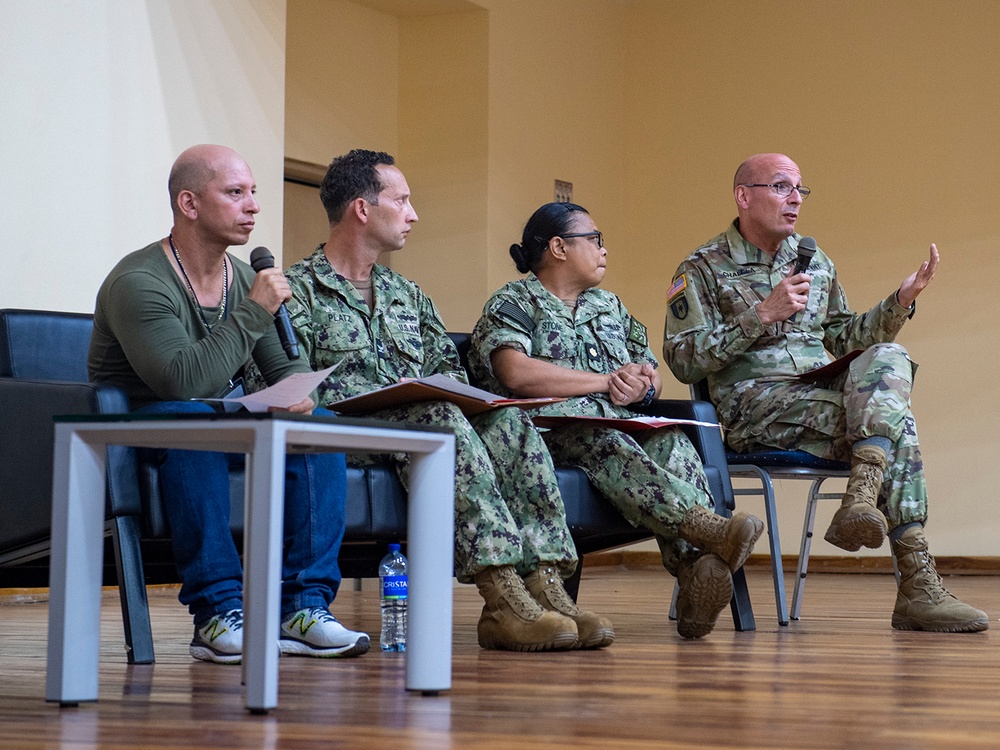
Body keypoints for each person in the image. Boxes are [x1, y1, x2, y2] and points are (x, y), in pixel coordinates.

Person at [285, 150, 613, 651]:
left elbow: (448, 369)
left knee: (509, 425)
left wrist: (464, 396)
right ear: (362, 209)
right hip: (345, 435)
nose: (414, 214)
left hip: (419, 428)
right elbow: (294, 384)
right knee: (440, 418)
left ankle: (544, 585)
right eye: (402, 200)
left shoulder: (407, 294)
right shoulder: (298, 290)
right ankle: (501, 596)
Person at [663, 152, 988, 632]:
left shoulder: (815, 260)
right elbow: (682, 358)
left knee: (890, 358)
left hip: (819, 396)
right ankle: (915, 580)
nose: (795, 199)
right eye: (781, 187)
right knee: (896, 423)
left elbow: (845, 340)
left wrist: (898, 304)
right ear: (743, 196)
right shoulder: (704, 267)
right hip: (751, 408)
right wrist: (761, 315)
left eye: (800, 190)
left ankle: (865, 498)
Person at [88, 144, 370, 663]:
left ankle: (303, 609)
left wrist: (298, 397)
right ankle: (218, 614)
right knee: (193, 420)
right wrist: (256, 310)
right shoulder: (139, 281)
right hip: (136, 433)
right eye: (236, 193)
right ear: (190, 204)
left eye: (254, 193)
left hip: (213, 421)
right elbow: (181, 382)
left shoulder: (241, 277)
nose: (253, 207)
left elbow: (285, 369)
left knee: (318, 427)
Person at [468, 202, 764, 639]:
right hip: (546, 433)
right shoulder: (513, 303)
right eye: (595, 239)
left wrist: (641, 388)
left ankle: (694, 575)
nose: (605, 250)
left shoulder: (610, 306)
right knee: (600, 436)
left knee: (673, 441)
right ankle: (705, 528)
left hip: (619, 425)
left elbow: (649, 372)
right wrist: (605, 382)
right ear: (558, 247)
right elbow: (516, 372)